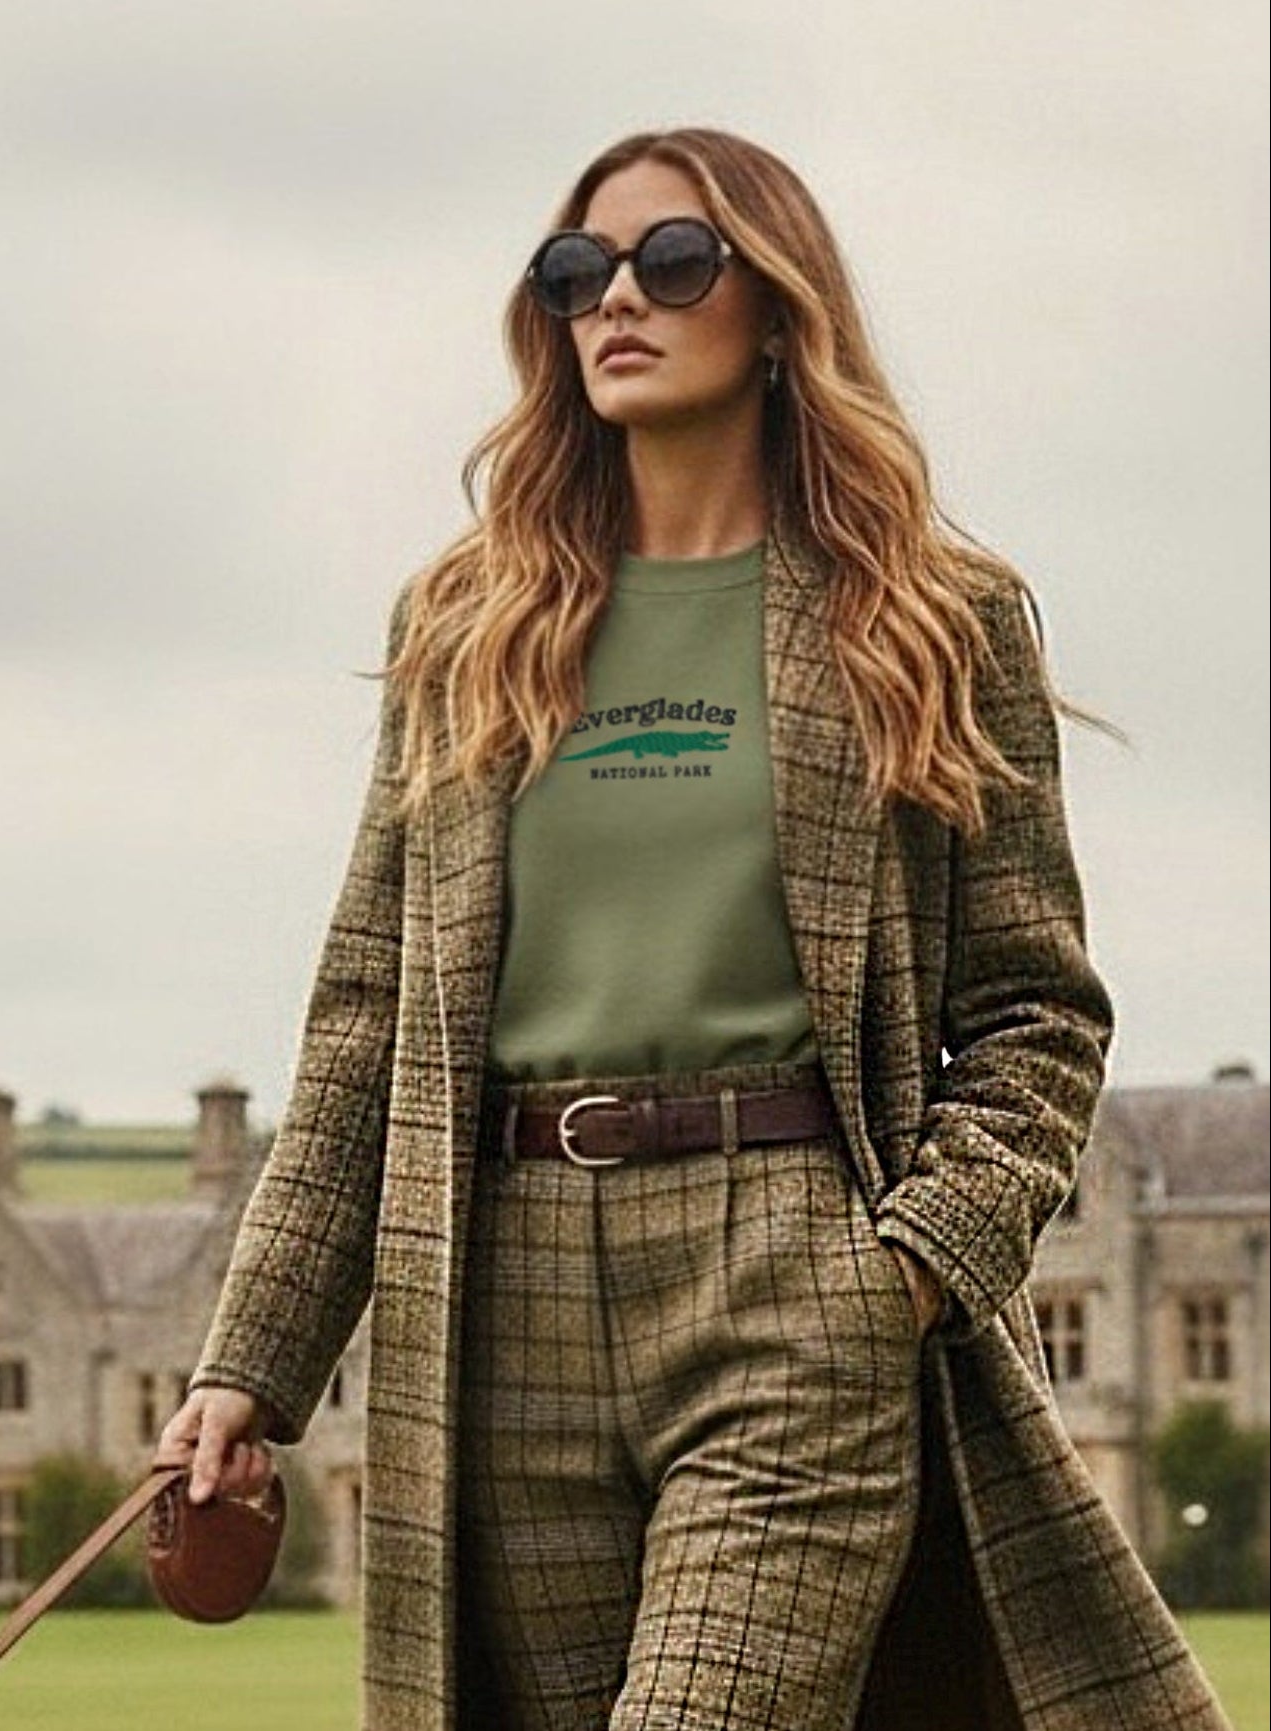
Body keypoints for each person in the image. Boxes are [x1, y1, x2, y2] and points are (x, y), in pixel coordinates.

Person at [157, 128, 1231, 1731]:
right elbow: (365, 1018)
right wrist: (248, 1363)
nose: (616, 303)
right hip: (497, 1299)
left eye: (671, 263)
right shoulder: (466, 622)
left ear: (780, 305)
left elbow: (1036, 1012)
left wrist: (906, 1276)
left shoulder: (930, 613)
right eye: (576, 273)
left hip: (790, 1267)